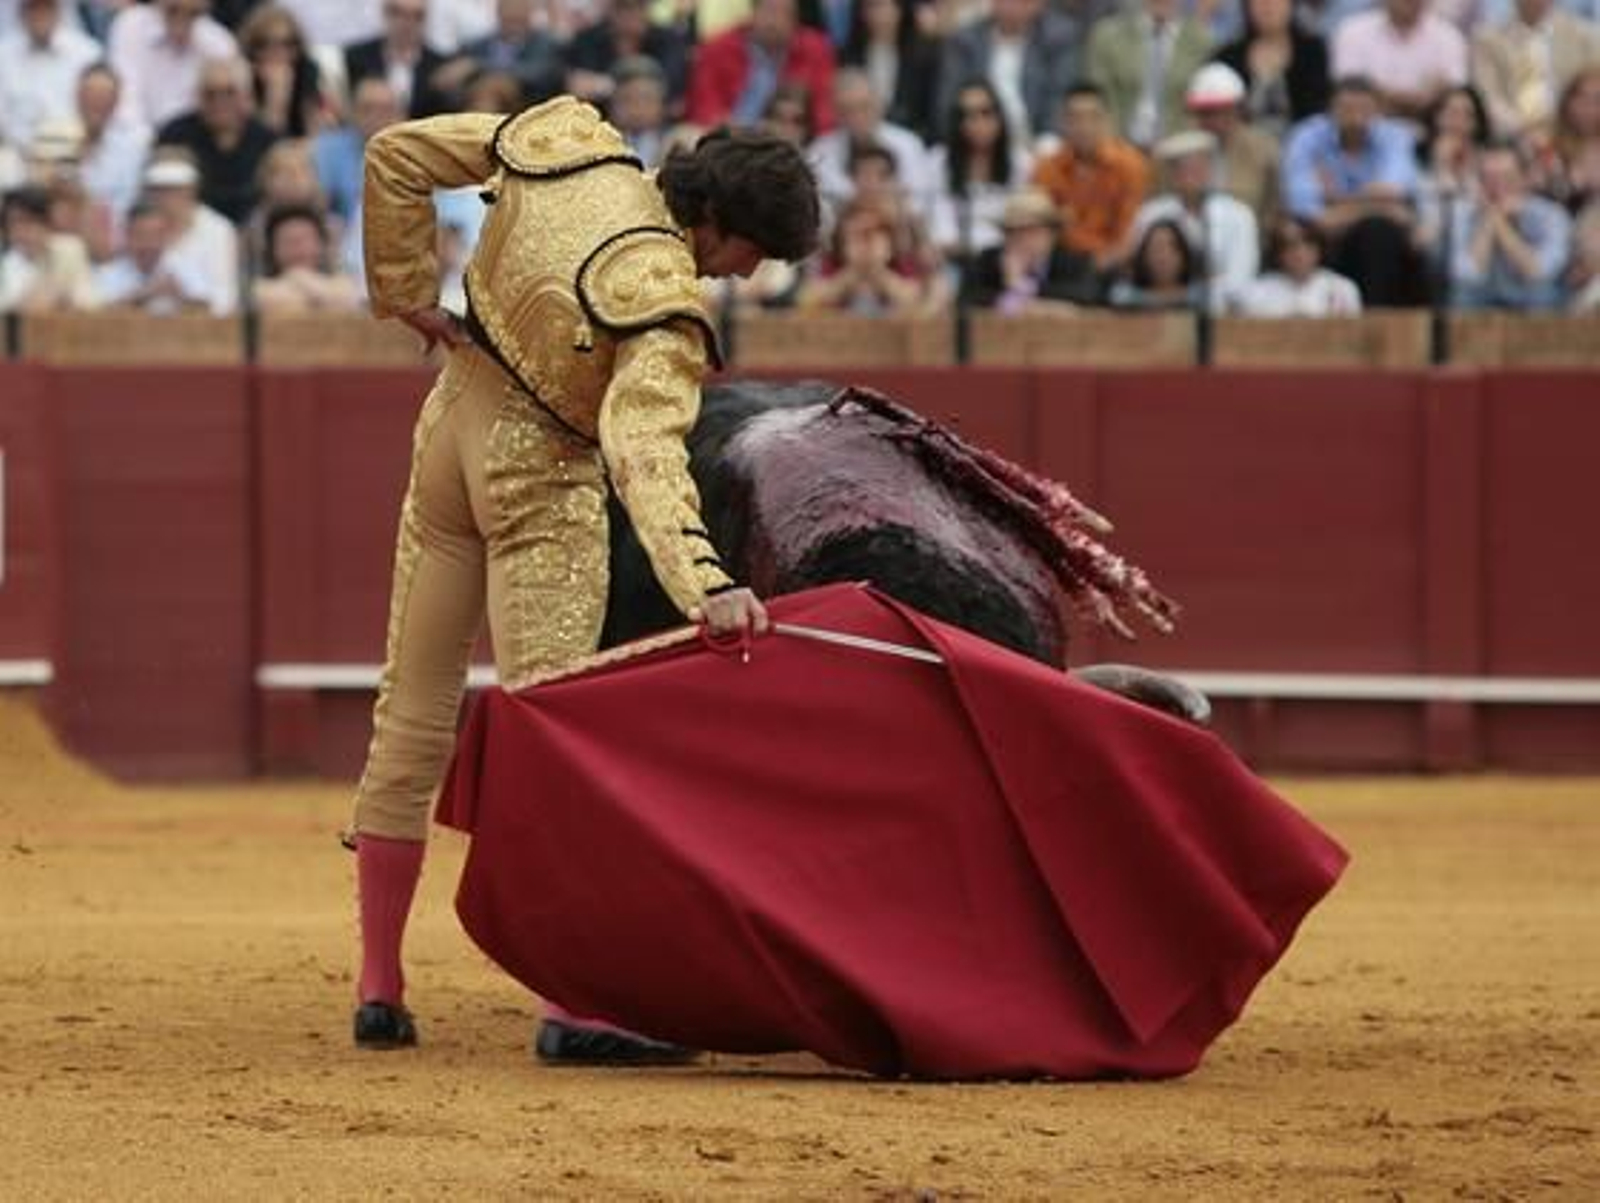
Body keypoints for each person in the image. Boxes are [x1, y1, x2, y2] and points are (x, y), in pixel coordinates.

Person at [349, 96, 821, 1060]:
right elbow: (645, 450)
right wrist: (705, 583)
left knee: (410, 711)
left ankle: (380, 986)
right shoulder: (660, 295)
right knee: (558, 741)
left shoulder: (570, 144)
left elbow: (395, 154)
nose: (745, 275)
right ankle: (572, 1001)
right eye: (753, 255)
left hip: (449, 435)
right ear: (718, 224)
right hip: (542, 486)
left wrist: (408, 297)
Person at [1281, 74, 1424, 305]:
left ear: (1378, 110)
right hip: (1325, 241)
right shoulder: (1306, 136)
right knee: (1305, 235)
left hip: (1380, 240)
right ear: (1331, 110)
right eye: (1347, 109)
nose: (1356, 118)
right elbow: (1310, 215)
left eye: (1364, 109)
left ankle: (1379, 320)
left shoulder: (1395, 136)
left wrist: (1337, 199)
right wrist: (1380, 205)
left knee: (1379, 233)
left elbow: (1395, 191)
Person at [1126, 129, 1259, 311]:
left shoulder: (1239, 215)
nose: (1190, 176)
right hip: (1156, 312)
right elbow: (1138, 273)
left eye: (1198, 167)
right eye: (1182, 168)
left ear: (1211, 170)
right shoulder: (1150, 214)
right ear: (1172, 174)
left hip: (1223, 315)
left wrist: (1191, 296)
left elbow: (1239, 283)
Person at [1435, 141, 1572, 309]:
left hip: (1530, 296)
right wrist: (1490, 219)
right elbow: (1466, 275)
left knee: (1542, 293)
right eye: (1488, 178)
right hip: (1484, 295)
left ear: (1525, 178)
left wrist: (1499, 223)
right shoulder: (1463, 211)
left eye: (1507, 177)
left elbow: (1539, 272)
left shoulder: (1551, 214)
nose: (1497, 186)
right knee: (1462, 293)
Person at [1031, 83, 1151, 271]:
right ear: (1062, 122)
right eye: (1075, 118)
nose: (1084, 126)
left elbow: (1130, 237)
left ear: (1107, 120)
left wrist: (1095, 267)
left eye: (1093, 117)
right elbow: (1037, 230)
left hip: (1112, 265)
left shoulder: (1131, 166)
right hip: (1059, 265)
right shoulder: (1046, 168)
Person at [933, 0, 1080, 151]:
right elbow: (949, 99)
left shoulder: (1058, 38)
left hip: (1033, 140)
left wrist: (1048, 139)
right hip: (974, 139)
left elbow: (1059, 94)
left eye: (1023, 2)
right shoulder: (965, 40)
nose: (1012, 6)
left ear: (1039, 4)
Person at [687, 0, 838, 132]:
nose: (774, 21)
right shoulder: (718, 48)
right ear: (753, 13)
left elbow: (824, 111)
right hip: (729, 137)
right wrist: (727, 128)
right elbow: (703, 108)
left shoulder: (815, 50)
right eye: (769, 10)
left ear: (796, 20)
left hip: (792, 139)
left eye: (784, 13)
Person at [928, 78, 1034, 264]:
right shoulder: (939, 161)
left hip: (1004, 259)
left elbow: (1022, 222)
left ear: (1000, 117)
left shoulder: (1021, 163)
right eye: (967, 115)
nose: (978, 123)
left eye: (986, 113)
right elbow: (937, 220)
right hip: (951, 258)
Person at [1084, 0, 1213, 151]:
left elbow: (1197, 110)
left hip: (1177, 150)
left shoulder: (1201, 42)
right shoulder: (1107, 36)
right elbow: (1098, 98)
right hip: (1119, 146)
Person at [1471, 0, 1600, 145]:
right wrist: (1524, 130)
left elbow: (1593, 89)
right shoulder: (1487, 40)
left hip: (1574, 137)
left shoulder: (1586, 37)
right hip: (1512, 140)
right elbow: (1488, 96)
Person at [958, 186, 1105, 311]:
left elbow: (1086, 296)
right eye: (1011, 231)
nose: (1020, 239)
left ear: (1051, 233)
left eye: (1030, 230)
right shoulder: (987, 260)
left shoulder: (1075, 261)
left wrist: (1023, 287)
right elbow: (966, 299)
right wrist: (1011, 299)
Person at [1211, 0, 1331, 140]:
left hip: (1301, 144)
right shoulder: (1227, 57)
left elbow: (1318, 111)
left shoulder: (1312, 51)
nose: (1268, 7)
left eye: (1276, 1)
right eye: (1259, 2)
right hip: (1243, 150)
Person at [1232, 213, 1363, 314]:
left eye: (1308, 244)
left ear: (1319, 248)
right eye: (1290, 245)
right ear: (1278, 253)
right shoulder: (1256, 293)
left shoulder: (1342, 289)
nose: (1299, 253)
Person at [1109, 216, 1205, 308]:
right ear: (1144, 256)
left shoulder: (1201, 297)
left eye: (1172, 248)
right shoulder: (1125, 298)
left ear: (1184, 254)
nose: (1164, 257)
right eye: (1157, 249)